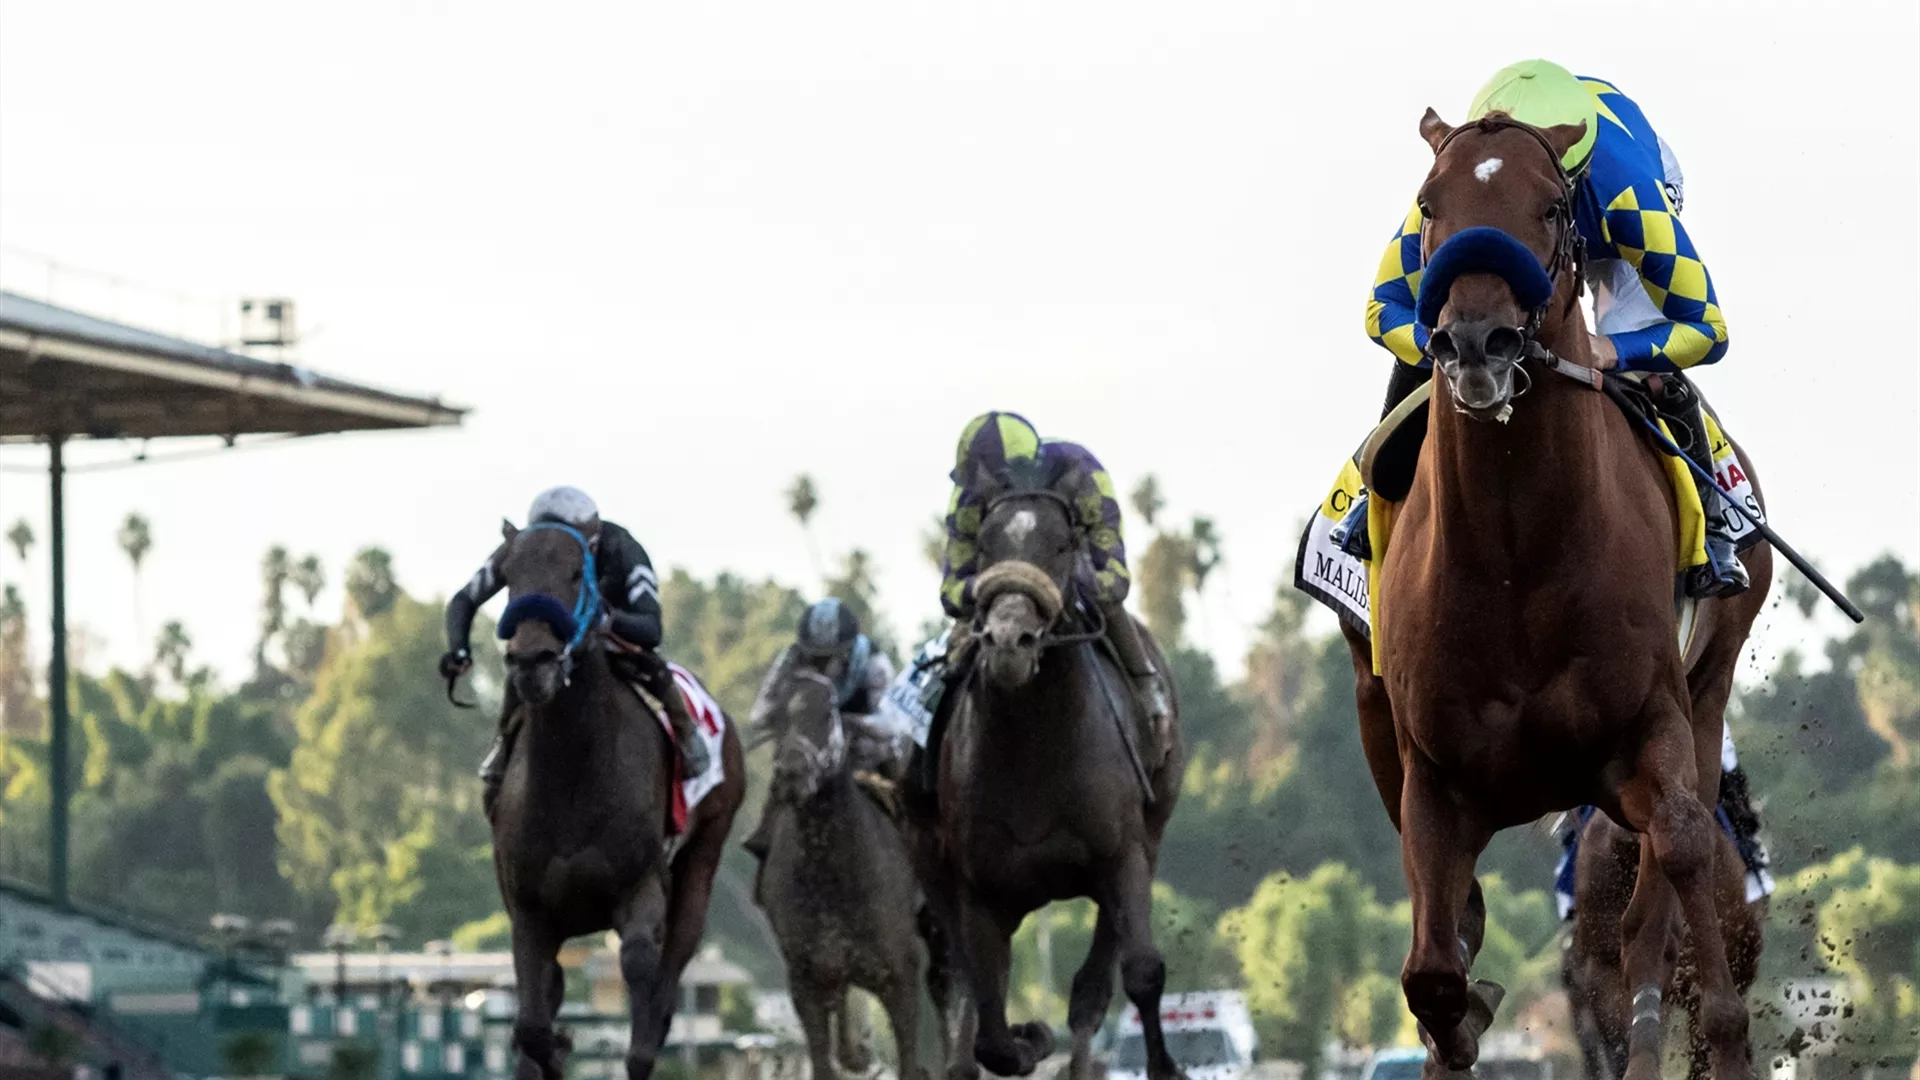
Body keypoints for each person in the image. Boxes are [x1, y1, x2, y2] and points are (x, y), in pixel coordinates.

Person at [1337, 58, 1748, 599]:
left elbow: (1708, 329)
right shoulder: (1468, 180)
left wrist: (1614, 349)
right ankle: (1378, 494)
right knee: (1440, 319)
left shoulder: (1628, 202)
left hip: (1619, 203)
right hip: (1539, 172)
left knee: (1642, 359)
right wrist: (1435, 348)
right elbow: (1382, 308)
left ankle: (1714, 525)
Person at [437, 486, 709, 819]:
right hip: (551, 638)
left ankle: (685, 732)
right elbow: (464, 599)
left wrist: (607, 620)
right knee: (521, 667)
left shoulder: (622, 547)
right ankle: (505, 743)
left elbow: (651, 629)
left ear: (592, 539)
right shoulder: (524, 547)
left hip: (608, 635)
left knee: (649, 664)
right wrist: (459, 648)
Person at [938, 411, 1170, 723]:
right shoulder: (969, 493)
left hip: (1069, 562)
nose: (984, 490)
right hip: (994, 585)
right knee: (952, 653)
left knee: (1108, 605)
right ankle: (917, 733)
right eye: (980, 482)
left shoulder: (1083, 473)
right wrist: (980, 588)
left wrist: (1071, 577)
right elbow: (951, 592)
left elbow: (1115, 582)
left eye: (996, 480)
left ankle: (1147, 686)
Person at [743, 598, 899, 880]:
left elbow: (891, 725)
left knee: (903, 785)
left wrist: (847, 721)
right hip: (810, 747)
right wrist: (788, 713)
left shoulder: (875, 665)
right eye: (814, 656)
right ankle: (764, 844)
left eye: (830, 657)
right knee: (785, 772)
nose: (821, 664)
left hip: (864, 749)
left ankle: (920, 851)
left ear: (848, 651)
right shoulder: (790, 658)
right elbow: (759, 714)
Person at [1553, 724, 1774, 921]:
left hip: (1685, 711)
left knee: (1724, 754)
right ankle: (1569, 879)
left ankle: (1749, 856)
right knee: (1583, 765)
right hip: (1619, 711)